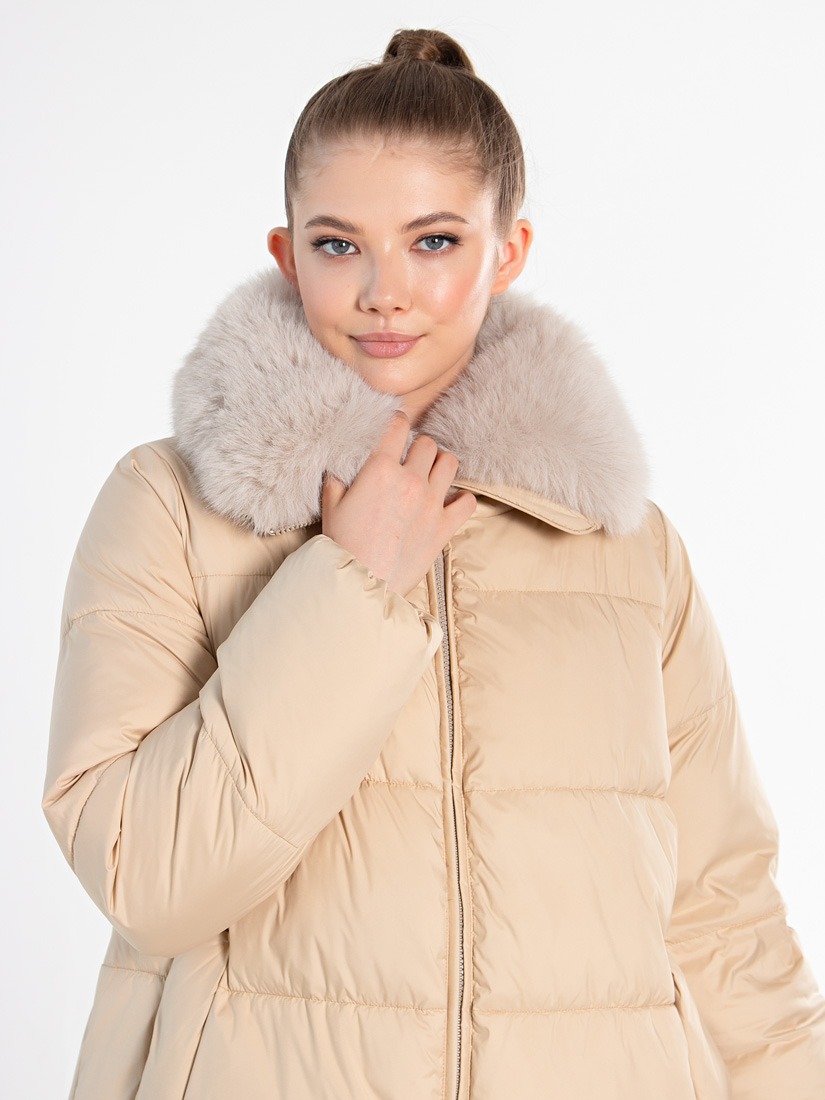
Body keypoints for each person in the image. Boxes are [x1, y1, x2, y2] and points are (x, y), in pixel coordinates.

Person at [42, 27, 825, 1100]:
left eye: (435, 241)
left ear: (508, 250)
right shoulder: (170, 506)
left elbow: (725, 916)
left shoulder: (626, 547)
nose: (385, 291)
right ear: (286, 254)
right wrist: (348, 586)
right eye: (338, 244)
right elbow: (149, 879)